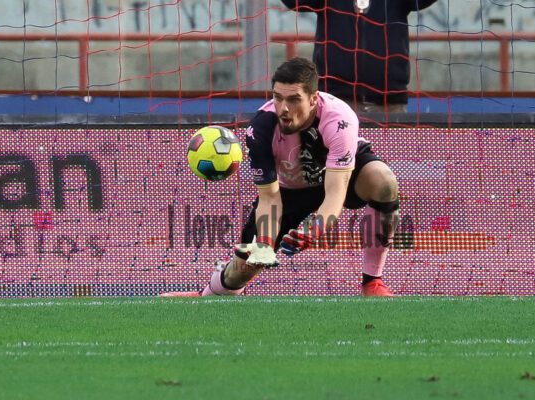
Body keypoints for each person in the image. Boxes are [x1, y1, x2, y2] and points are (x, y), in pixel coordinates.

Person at [160, 57, 400, 297]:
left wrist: (315, 229)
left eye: (294, 99)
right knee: (242, 270)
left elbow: (336, 193)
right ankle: (207, 293)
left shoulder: (340, 121)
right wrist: (264, 245)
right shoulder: (260, 129)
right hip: (288, 191)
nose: (283, 108)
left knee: (383, 182)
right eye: (278, 97)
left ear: (313, 99)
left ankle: (372, 282)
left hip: (336, 176)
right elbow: (270, 198)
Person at [281, 0, 438, 114]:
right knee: (333, 151)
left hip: (388, 102)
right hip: (335, 101)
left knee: (388, 151)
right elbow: (293, 2)